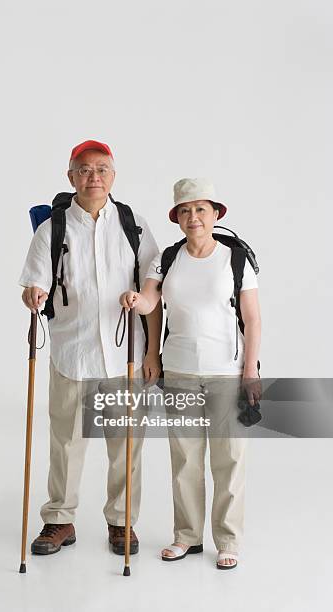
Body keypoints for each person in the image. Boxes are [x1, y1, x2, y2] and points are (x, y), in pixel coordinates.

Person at [19, 140, 161, 556]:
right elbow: (36, 282)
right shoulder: (52, 228)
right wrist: (33, 294)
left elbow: (152, 289)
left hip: (126, 355)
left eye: (102, 169)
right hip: (71, 351)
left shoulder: (133, 224)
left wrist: (152, 352)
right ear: (71, 177)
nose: (93, 176)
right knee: (65, 442)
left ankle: (121, 522)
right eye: (84, 170)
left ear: (113, 176)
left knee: (127, 443)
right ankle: (59, 520)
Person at [120, 177, 261, 569]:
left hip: (226, 372)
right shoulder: (167, 258)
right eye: (185, 210)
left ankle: (228, 541)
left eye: (200, 209)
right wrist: (137, 301)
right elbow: (152, 300)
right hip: (178, 369)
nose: (193, 217)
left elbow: (252, 319)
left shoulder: (235, 260)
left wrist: (250, 369)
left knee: (228, 459)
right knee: (185, 458)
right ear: (177, 217)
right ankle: (186, 537)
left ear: (216, 214)